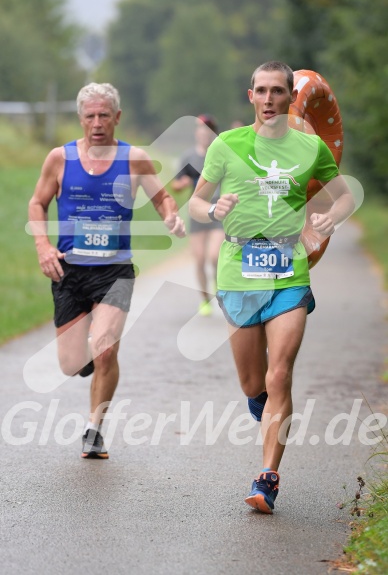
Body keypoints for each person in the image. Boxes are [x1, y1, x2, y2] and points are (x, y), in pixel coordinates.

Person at [189, 61, 355, 513]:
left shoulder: (310, 146)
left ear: (289, 96)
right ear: (250, 97)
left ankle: (267, 478)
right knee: (252, 382)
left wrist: (329, 217)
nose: (268, 100)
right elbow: (197, 200)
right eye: (260, 91)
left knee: (279, 373)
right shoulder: (227, 145)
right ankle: (262, 403)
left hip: (288, 272)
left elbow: (344, 195)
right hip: (239, 271)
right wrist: (212, 208)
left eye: (277, 91)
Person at [28, 82, 185, 459]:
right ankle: (88, 366)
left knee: (105, 351)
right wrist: (43, 246)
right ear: (80, 119)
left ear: (117, 117)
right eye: (89, 116)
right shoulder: (59, 158)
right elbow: (38, 202)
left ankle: (94, 429)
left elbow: (161, 196)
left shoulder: (133, 159)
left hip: (114, 271)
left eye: (104, 115)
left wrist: (171, 216)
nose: (97, 122)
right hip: (69, 272)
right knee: (70, 364)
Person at [171, 114, 224, 316]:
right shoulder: (188, 157)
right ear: (196, 132)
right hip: (197, 211)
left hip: (217, 209)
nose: (203, 132)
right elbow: (176, 184)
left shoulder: (220, 154)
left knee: (214, 256)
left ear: (212, 133)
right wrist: (182, 184)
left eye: (207, 129)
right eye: (200, 128)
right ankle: (204, 300)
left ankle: (220, 288)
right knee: (200, 259)